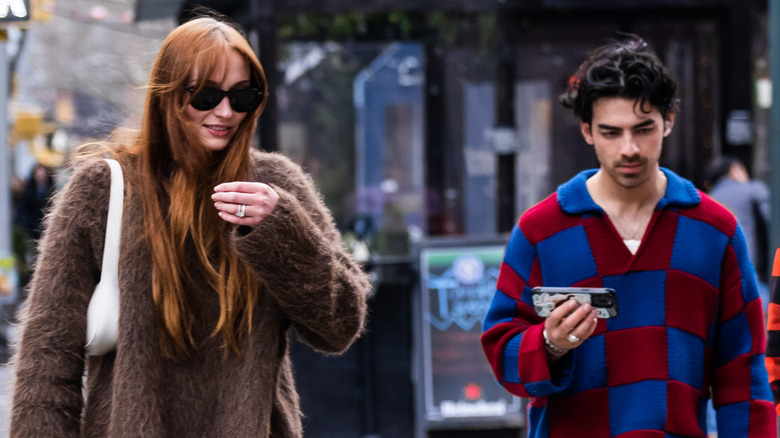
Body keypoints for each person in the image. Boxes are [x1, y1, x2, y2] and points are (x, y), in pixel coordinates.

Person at [10, 15, 371, 438]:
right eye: (205, 95)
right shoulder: (104, 189)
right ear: (167, 94)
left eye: (242, 96)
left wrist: (284, 232)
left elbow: (340, 327)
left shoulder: (275, 186)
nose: (225, 111)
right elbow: (48, 359)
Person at [481, 36, 775, 437]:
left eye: (643, 129)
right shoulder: (541, 230)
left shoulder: (714, 230)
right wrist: (550, 343)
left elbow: (743, 374)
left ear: (668, 120)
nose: (630, 148)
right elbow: (503, 359)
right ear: (586, 131)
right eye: (611, 132)